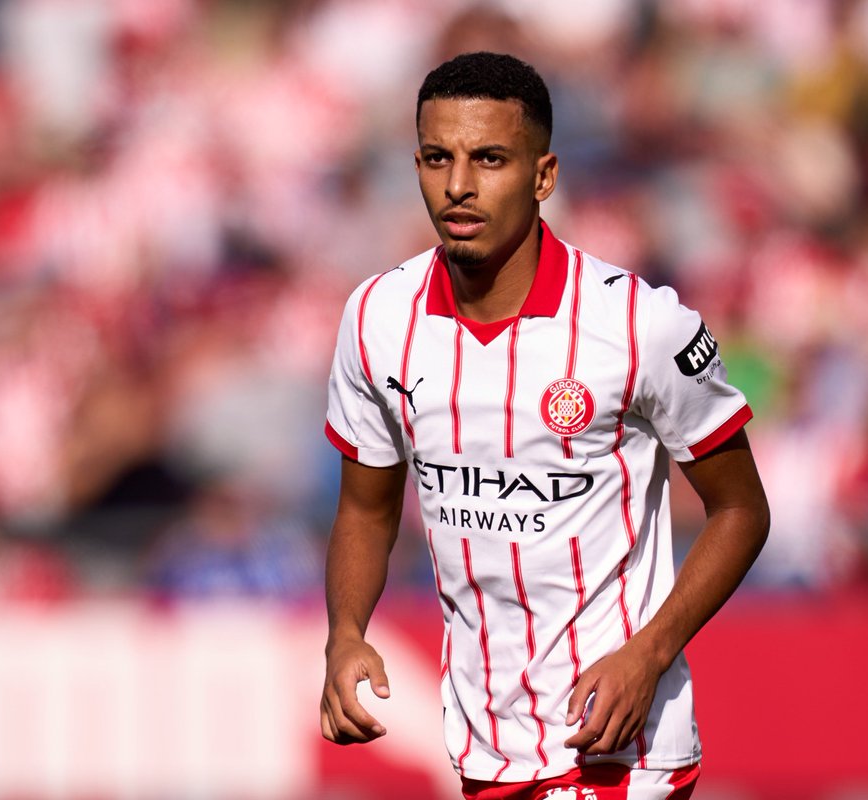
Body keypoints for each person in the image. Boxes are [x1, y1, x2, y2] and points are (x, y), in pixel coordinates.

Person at [320, 51, 770, 800]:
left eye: (489, 159)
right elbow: (366, 510)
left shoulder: (636, 324)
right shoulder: (375, 319)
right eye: (438, 158)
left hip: (619, 747)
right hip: (485, 745)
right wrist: (344, 633)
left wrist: (650, 654)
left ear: (543, 175)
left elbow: (742, 509)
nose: (458, 185)